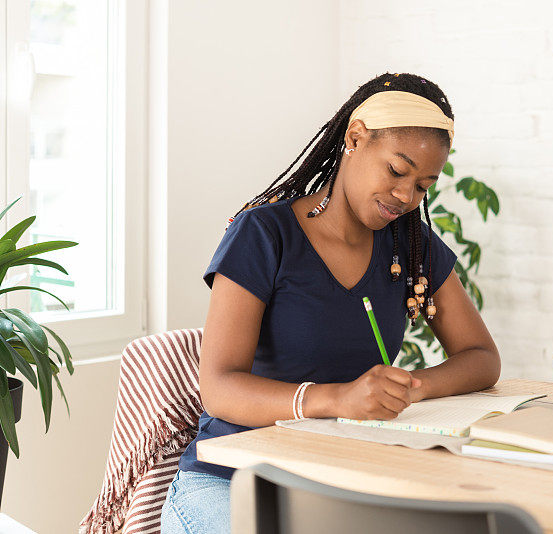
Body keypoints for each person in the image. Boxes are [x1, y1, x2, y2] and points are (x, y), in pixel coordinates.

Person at [160, 72, 501, 533]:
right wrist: (339, 398)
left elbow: (482, 358)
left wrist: (406, 388)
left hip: (337, 478)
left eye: (423, 185)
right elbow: (218, 388)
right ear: (355, 139)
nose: (406, 196)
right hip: (233, 480)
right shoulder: (263, 234)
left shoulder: (410, 245)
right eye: (397, 171)